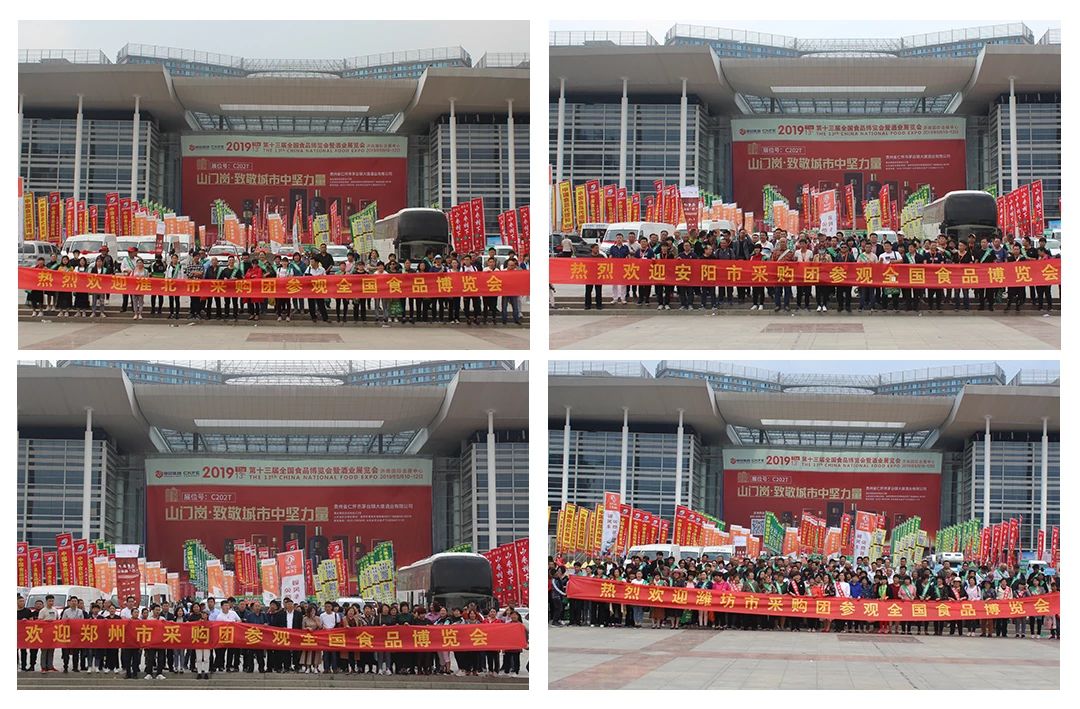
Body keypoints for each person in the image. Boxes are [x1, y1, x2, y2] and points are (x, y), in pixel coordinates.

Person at [583, 243, 604, 311]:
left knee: (598, 291)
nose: (597, 249)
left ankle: (599, 305)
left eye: (598, 248)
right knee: (588, 291)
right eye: (595, 248)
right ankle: (587, 305)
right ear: (592, 249)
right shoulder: (588, 257)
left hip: (598, 276)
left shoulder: (601, 257)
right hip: (589, 277)